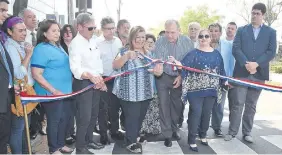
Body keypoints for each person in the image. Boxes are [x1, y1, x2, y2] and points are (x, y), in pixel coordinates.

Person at [225, 3, 277, 143]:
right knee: (237, 103)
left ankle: (247, 132)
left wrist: (257, 64)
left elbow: (271, 52)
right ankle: (232, 132)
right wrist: (246, 64)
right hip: (242, 71)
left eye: (257, 13)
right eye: (253, 13)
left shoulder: (271, 32)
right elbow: (236, 49)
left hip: (259, 73)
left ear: (263, 15)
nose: (254, 16)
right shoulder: (242, 30)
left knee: (251, 104)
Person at [112, 26, 163, 153]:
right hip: (129, 94)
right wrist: (127, 57)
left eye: (142, 37)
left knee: (140, 117)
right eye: (137, 37)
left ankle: (133, 137)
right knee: (132, 118)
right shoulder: (124, 51)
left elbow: (157, 72)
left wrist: (158, 71)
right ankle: (130, 142)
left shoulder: (149, 54)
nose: (140, 40)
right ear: (131, 38)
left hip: (145, 93)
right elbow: (115, 65)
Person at [175, 29, 226, 152]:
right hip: (195, 91)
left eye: (206, 36)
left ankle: (203, 135)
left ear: (210, 38)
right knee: (196, 113)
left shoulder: (217, 54)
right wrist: (178, 65)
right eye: (201, 36)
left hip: (211, 90)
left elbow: (221, 70)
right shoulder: (193, 53)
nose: (203, 38)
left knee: (206, 113)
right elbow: (183, 67)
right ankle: (192, 139)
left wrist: (225, 81)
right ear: (198, 38)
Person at [31, 19, 73, 154]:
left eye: (57, 30)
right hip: (51, 93)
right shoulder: (41, 49)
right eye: (53, 31)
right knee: (54, 121)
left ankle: (60, 144)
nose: (57, 33)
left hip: (65, 91)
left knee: (64, 119)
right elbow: (36, 74)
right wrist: (53, 90)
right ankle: (53, 148)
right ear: (44, 33)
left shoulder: (58, 46)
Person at [153, 19, 194, 147]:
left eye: (172, 32)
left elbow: (190, 63)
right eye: (167, 32)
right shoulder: (160, 42)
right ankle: (167, 134)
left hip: (179, 76)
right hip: (163, 77)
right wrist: (158, 71)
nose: (169, 35)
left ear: (179, 31)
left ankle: (175, 127)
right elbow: (158, 62)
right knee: (164, 105)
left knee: (177, 105)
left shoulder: (187, 42)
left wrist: (181, 76)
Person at [69, 13, 105, 154]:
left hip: (96, 82)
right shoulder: (76, 44)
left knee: (93, 115)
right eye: (90, 28)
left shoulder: (93, 41)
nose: (93, 31)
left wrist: (100, 79)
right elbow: (76, 68)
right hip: (83, 83)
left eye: (94, 28)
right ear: (79, 27)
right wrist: (90, 76)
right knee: (84, 117)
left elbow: (98, 63)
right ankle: (80, 147)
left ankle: (89, 140)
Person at [2, 16, 33, 154]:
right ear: (9, 31)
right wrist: (28, 56)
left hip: (23, 92)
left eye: (24, 30)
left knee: (23, 129)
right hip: (17, 94)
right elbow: (18, 74)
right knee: (17, 130)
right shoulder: (10, 47)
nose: (24, 33)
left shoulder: (18, 44)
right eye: (20, 31)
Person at [96, 16, 124, 145]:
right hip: (103, 79)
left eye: (113, 28)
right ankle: (103, 134)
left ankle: (114, 131)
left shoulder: (118, 41)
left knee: (115, 107)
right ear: (102, 29)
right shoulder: (97, 43)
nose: (111, 31)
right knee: (103, 108)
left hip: (117, 79)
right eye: (108, 29)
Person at [18, 8, 45, 139]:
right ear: (22, 20)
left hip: (39, 79)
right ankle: (27, 140)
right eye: (30, 17)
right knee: (26, 115)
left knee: (39, 108)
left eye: (35, 16)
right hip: (25, 80)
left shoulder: (39, 35)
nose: (34, 19)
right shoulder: (20, 37)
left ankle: (37, 127)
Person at [209, 23, 234, 137]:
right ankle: (200, 128)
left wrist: (228, 79)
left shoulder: (227, 45)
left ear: (220, 33)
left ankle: (217, 127)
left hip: (221, 80)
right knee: (203, 105)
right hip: (205, 80)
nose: (213, 33)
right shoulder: (202, 43)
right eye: (211, 30)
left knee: (219, 105)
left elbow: (230, 63)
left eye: (216, 31)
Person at [0, 0, 14, 154]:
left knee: (3, 138)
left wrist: (11, 84)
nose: (6, 14)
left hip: (5, 96)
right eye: (2, 10)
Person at [140, 33, 161, 137]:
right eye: (147, 42)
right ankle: (144, 128)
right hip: (144, 87)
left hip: (155, 86)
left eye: (151, 42)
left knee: (155, 107)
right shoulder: (142, 55)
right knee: (145, 109)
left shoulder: (157, 56)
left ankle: (155, 128)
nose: (149, 44)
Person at [60, 24, 76, 145]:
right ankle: (66, 134)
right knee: (66, 110)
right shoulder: (59, 47)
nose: (68, 33)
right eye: (65, 32)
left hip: (77, 81)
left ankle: (71, 131)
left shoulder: (77, 45)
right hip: (64, 82)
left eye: (70, 31)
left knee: (74, 109)